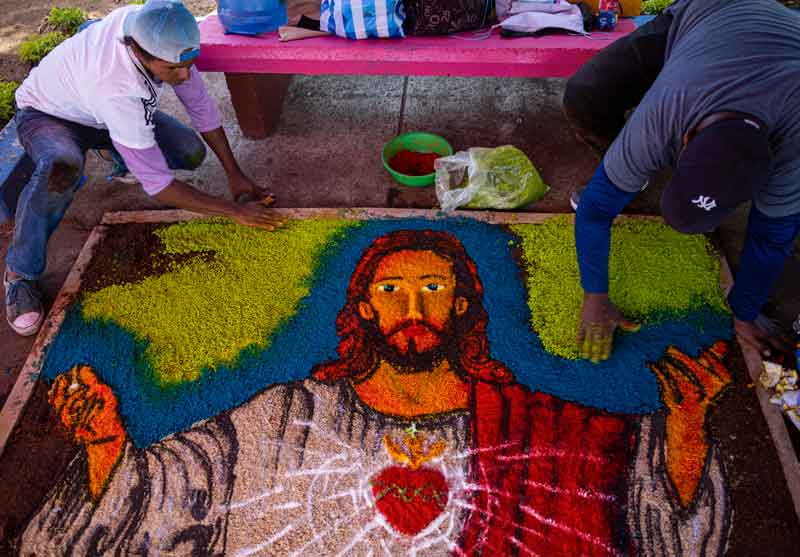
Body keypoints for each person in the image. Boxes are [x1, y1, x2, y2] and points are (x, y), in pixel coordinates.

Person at [22, 230, 731, 555]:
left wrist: (689, 429)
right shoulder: (288, 414)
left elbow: (644, 501)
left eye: (433, 289)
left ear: (462, 307)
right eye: (391, 290)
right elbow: (180, 480)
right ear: (363, 308)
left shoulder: (534, 425)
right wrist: (109, 444)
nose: (412, 307)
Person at [3, 0, 282, 338]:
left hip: (96, 110)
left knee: (189, 151)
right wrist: (232, 212)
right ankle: (20, 274)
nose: (183, 76)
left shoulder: (160, 29)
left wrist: (234, 174)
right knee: (62, 167)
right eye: (172, 70)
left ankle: (124, 150)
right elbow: (159, 186)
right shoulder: (116, 89)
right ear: (138, 52)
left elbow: (201, 109)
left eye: (188, 66)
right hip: (48, 114)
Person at [564, 0, 800, 362]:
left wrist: (745, 312)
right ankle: (624, 173)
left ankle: (625, 173)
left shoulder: (792, 153)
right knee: (585, 93)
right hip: (708, 11)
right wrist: (595, 295)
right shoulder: (660, 118)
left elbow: (772, 236)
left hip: (784, 44)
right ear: (683, 142)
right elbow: (593, 213)